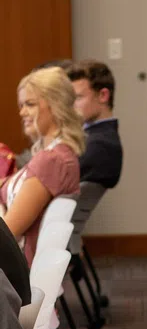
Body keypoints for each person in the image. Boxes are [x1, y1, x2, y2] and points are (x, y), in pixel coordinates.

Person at [0, 67, 84, 265]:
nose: (22, 112)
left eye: (30, 104)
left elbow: (7, 234)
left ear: (56, 106)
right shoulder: (55, 154)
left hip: (11, 275)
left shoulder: (51, 161)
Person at [67, 59, 123, 188]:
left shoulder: (99, 145)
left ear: (103, 95)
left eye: (78, 98)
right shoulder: (92, 138)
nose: (71, 106)